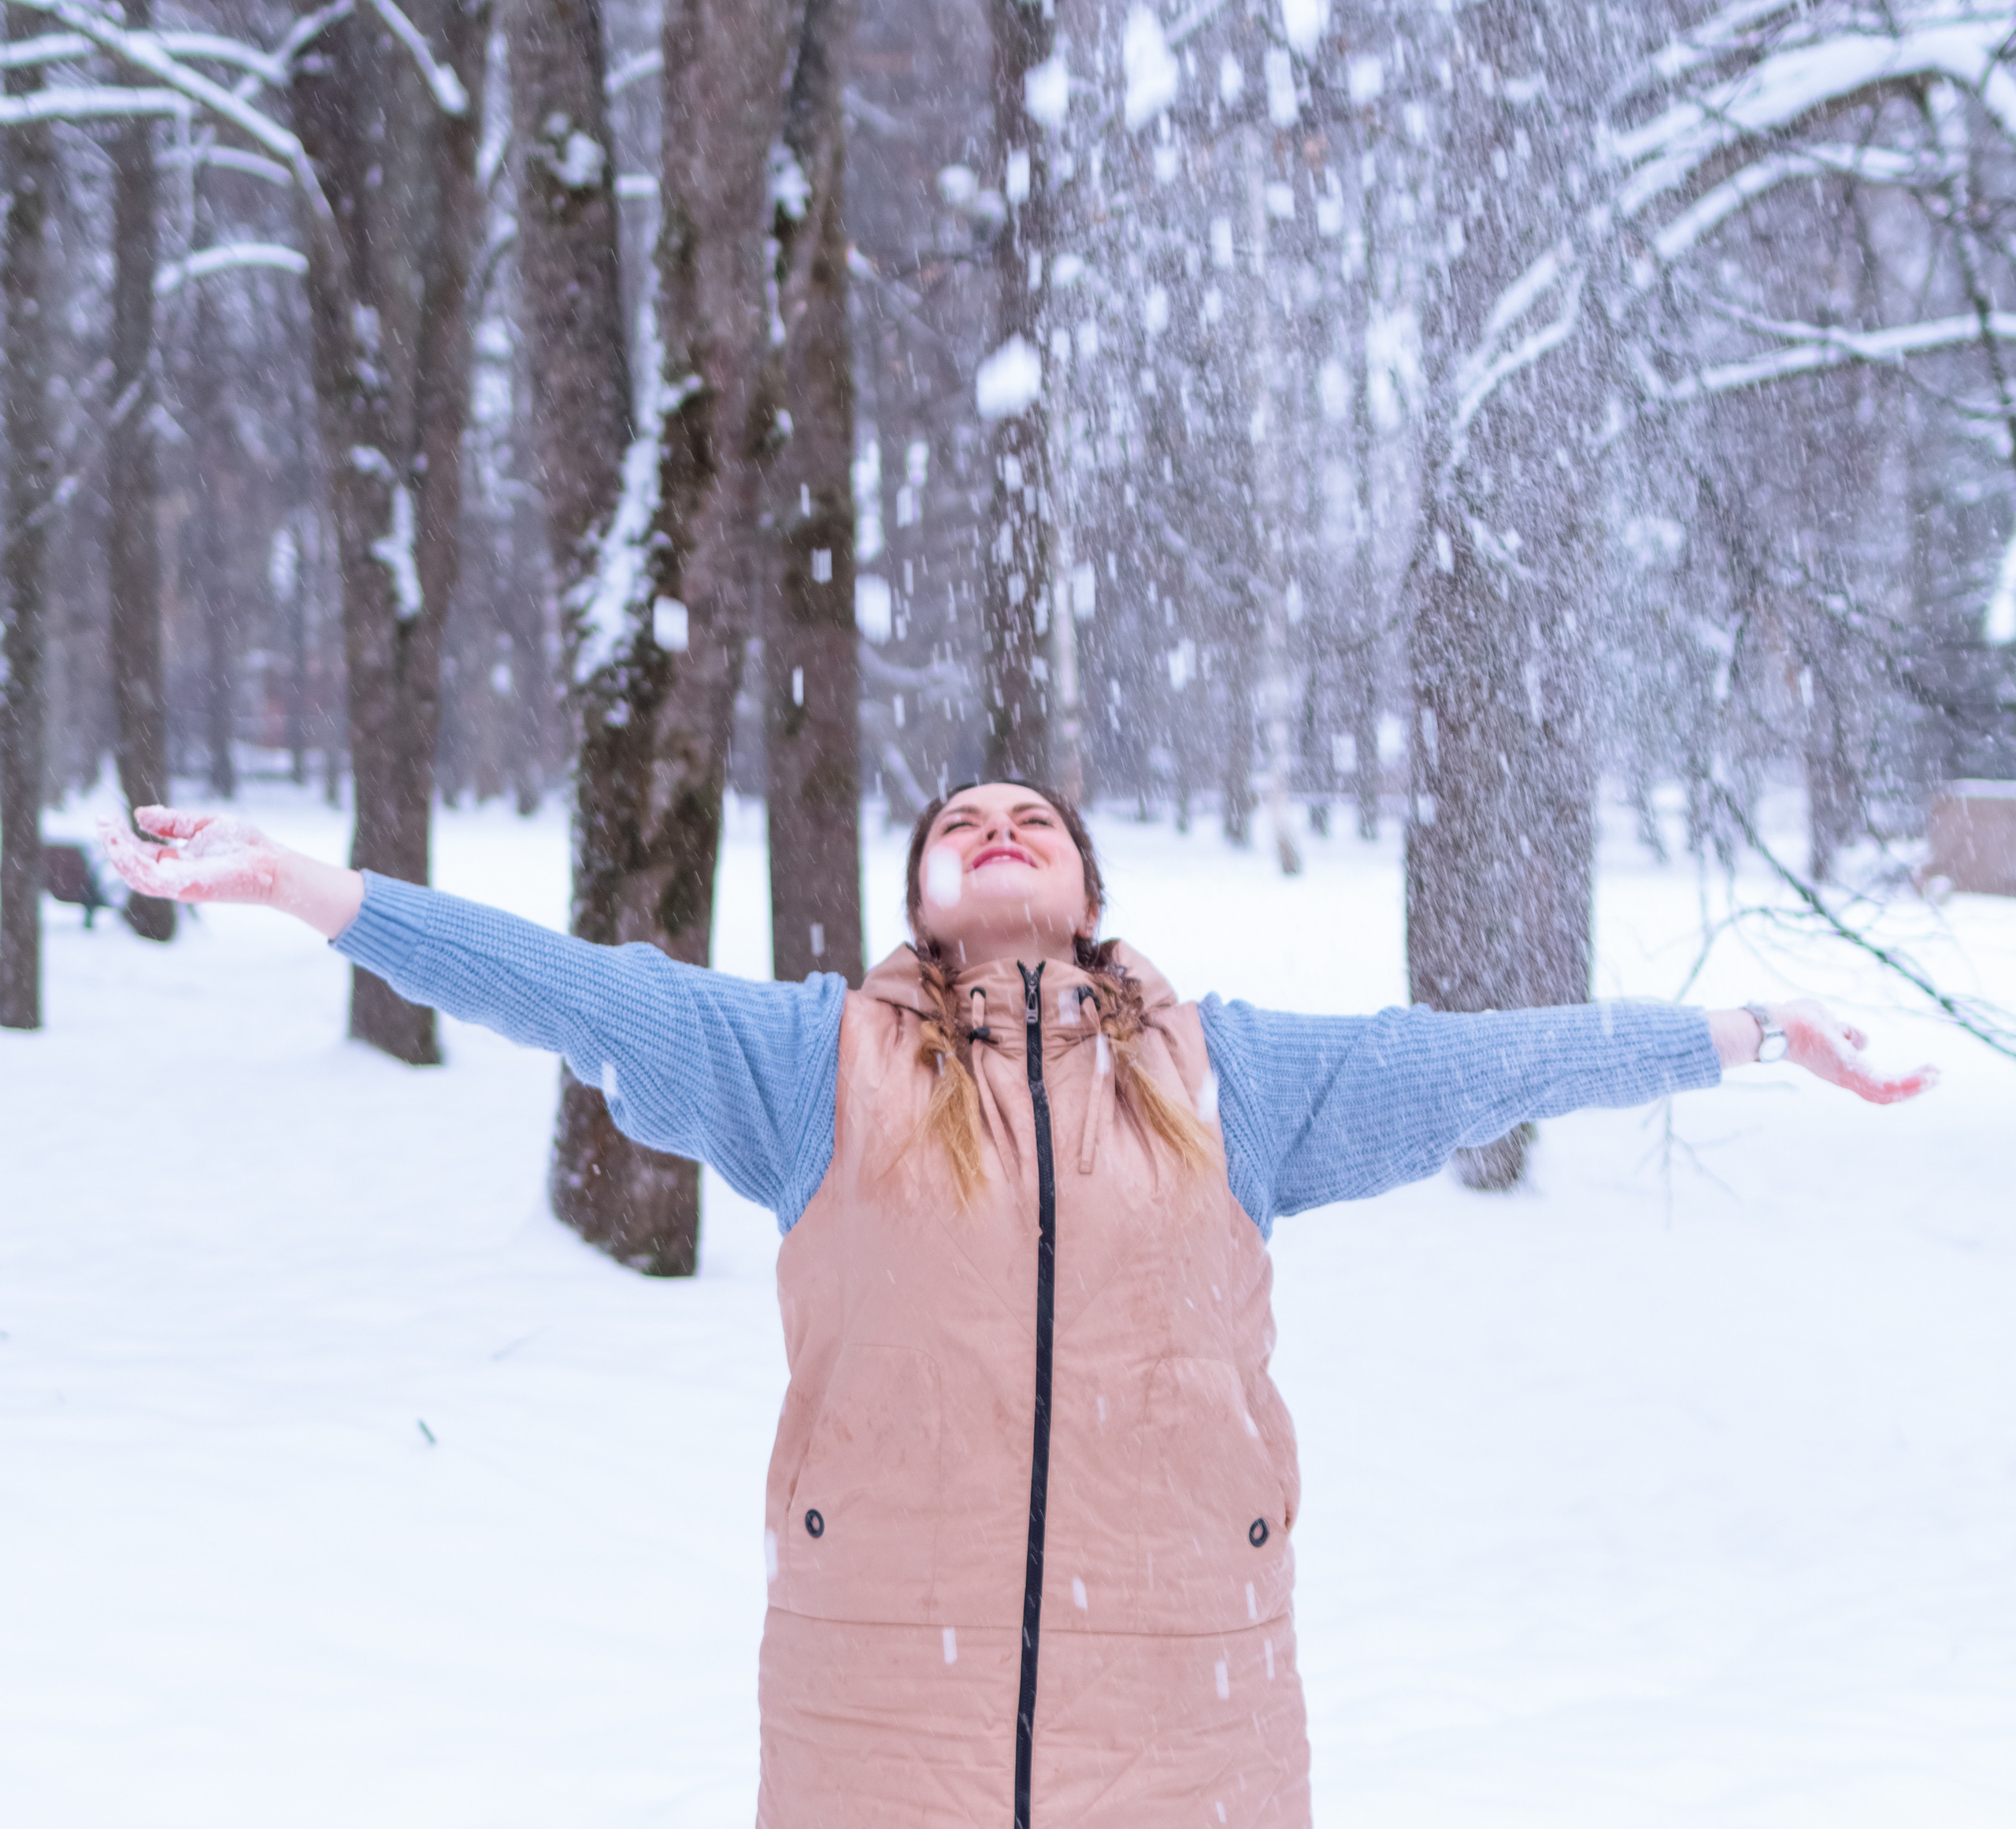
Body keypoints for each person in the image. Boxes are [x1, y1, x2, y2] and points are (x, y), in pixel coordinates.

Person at [102, 783, 1932, 1828]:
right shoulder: (806, 1062)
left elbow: (1479, 1060)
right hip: (877, 1714)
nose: (993, 826)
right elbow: (573, 987)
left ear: (1085, 888)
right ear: (916, 893)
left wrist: (1744, 1031)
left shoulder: (1233, 1075)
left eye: (1027, 818)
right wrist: (310, 889)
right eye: (959, 820)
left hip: (1192, 1711)